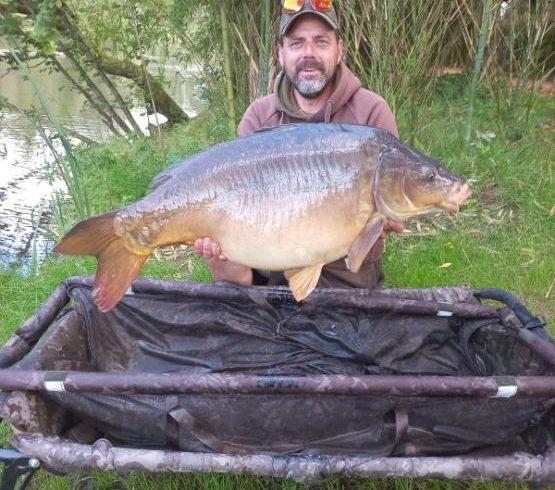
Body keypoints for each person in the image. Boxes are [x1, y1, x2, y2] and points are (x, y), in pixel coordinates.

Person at [193, 0, 402, 290]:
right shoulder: (259, 116)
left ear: (339, 50)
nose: (309, 54)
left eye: (321, 42)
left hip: (348, 281)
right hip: (270, 272)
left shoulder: (371, 113)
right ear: (281, 54)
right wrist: (226, 259)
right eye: (296, 43)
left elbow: (390, 201)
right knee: (227, 272)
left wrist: (387, 215)